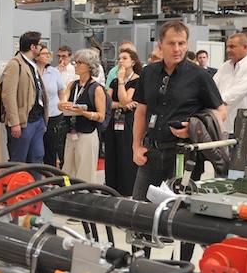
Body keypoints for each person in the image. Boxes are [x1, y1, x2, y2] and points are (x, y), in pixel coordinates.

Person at [132, 21, 225, 201]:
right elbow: (141, 111)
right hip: (151, 152)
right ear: (160, 45)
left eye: (181, 43)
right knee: (138, 209)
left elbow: (221, 112)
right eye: (171, 43)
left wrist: (194, 127)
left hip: (183, 154)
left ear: (187, 44)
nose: (177, 49)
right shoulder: (148, 72)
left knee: (176, 213)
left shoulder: (200, 76)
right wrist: (136, 146)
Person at [58, 48, 106, 183]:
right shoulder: (72, 85)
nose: (76, 65)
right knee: (68, 168)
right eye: (75, 62)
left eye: (80, 63)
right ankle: (68, 193)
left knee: (85, 171)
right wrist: (62, 105)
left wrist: (83, 112)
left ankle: (85, 196)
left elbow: (101, 116)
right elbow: (62, 102)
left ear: (89, 66)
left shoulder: (96, 88)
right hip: (71, 132)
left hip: (87, 134)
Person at [1, 31, 48, 164]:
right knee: (19, 159)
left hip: (38, 119)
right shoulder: (15, 64)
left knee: (38, 156)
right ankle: (18, 185)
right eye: (39, 45)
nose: (41, 48)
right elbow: (8, 95)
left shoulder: (33, 64)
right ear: (33, 47)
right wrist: (15, 122)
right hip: (23, 121)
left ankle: (36, 184)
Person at [212, 33, 247, 136]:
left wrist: (211, 104)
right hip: (221, 125)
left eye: (232, 47)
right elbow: (211, 86)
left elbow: (234, 94)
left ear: (245, 47)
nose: (228, 50)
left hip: (244, 126)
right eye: (227, 47)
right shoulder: (225, 66)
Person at [104, 47, 141, 196]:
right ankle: (111, 186)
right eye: (119, 58)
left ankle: (127, 188)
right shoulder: (113, 80)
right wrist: (121, 105)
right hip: (114, 120)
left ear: (132, 61)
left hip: (128, 122)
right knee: (112, 152)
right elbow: (108, 102)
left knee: (125, 153)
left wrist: (120, 82)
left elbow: (126, 99)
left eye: (124, 58)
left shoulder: (136, 80)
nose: (120, 61)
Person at [37, 46, 67, 167]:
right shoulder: (32, 71)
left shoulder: (53, 72)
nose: (47, 56)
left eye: (48, 53)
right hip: (38, 115)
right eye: (44, 53)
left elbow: (61, 90)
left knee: (52, 149)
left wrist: (62, 104)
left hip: (54, 115)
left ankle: (51, 178)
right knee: (38, 151)